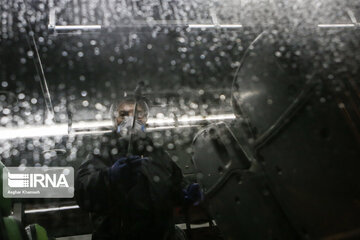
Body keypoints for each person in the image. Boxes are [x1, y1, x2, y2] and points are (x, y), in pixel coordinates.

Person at [75, 96, 202, 240]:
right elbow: (83, 193)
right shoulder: (102, 153)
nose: (131, 120)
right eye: (123, 114)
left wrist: (185, 192)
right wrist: (109, 178)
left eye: (137, 114)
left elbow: (174, 186)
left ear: (146, 118)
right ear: (114, 120)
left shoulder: (158, 154)